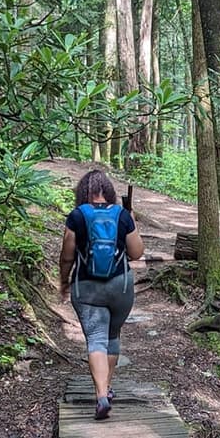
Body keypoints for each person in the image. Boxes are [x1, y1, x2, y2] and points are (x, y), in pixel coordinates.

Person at [58, 168, 144, 420]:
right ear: (108, 192)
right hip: (121, 286)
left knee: (96, 337)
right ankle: (106, 387)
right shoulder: (121, 215)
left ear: (82, 192)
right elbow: (137, 253)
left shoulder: (77, 216)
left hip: (87, 286)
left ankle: (101, 397)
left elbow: (67, 255)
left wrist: (64, 281)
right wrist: (132, 221)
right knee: (112, 335)